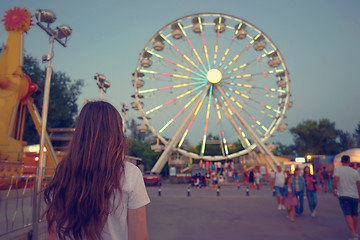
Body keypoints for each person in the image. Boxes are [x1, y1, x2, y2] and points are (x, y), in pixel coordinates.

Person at [44, 101, 150, 240]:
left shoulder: (63, 173)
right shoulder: (130, 174)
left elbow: (52, 234)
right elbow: (139, 236)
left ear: (80, 133)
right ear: (116, 133)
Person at [333, 155, 360, 240]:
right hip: (354, 195)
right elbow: (358, 184)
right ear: (349, 162)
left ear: (341, 162)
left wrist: (334, 189)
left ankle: (353, 233)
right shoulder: (354, 171)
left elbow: (336, 180)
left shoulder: (338, 170)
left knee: (347, 213)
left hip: (344, 195)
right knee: (354, 214)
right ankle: (354, 232)